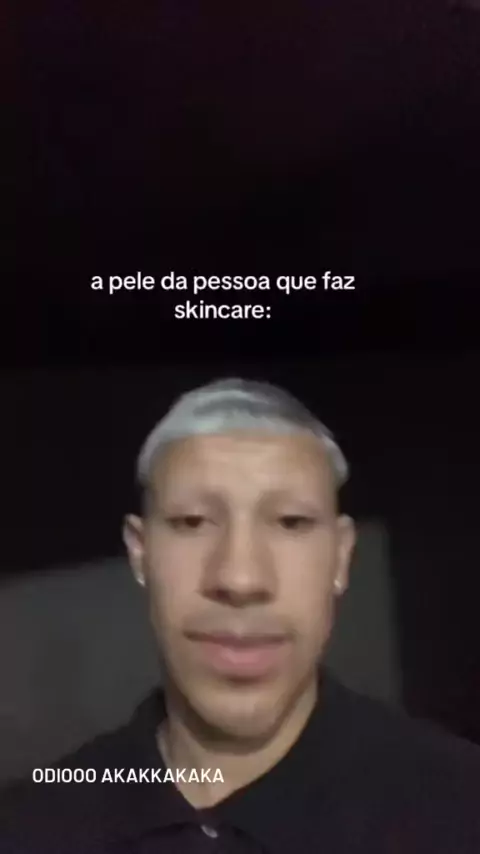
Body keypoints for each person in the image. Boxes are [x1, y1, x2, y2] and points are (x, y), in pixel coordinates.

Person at [1, 377, 480, 853]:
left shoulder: (460, 805)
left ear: (340, 557)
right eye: (192, 521)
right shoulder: (32, 825)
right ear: (140, 553)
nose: (240, 577)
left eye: (291, 521)